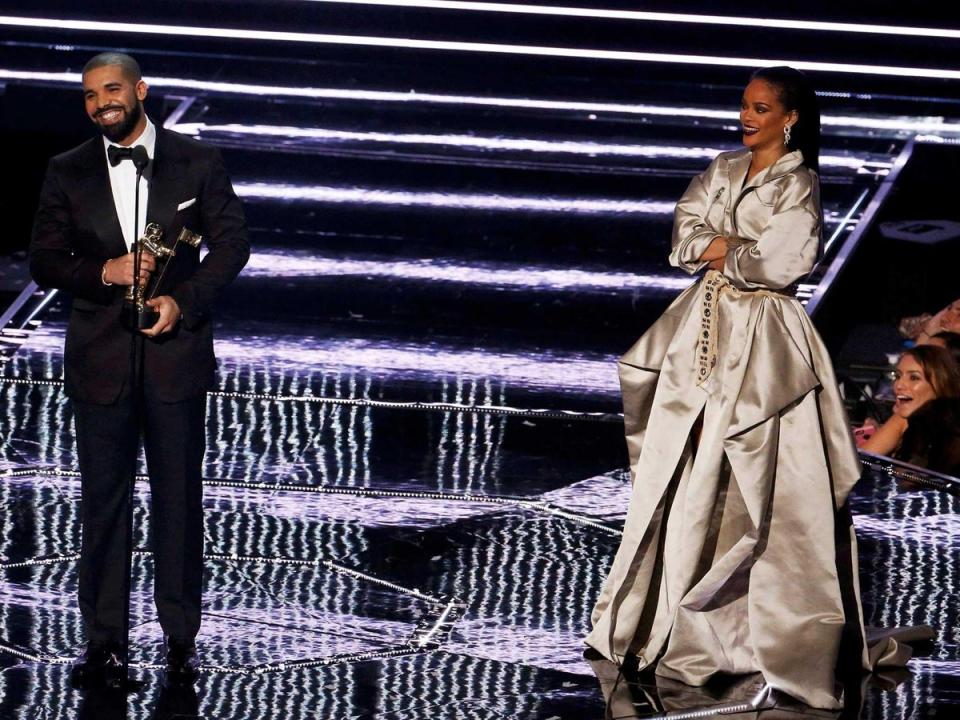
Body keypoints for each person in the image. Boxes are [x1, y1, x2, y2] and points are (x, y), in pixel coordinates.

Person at [585, 67, 918, 710]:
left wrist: (725, 250)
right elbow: (683, 238)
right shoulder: (721, 167)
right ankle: (663, 614)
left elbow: (786, 262)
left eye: (761, 107)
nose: (748, 116)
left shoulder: (800, 182)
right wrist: (734, 249)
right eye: (745, 105)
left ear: (788, 117)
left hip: (764, 340)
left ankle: (743, 627)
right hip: (702, 331)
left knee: (765, 486)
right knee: (683, 472)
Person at [30, 53, 249, 686]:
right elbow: (45, 260)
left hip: (176, 360)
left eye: (114, 90)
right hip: (100, 362)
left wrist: (184, 300)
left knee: (179, 503)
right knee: (103, 506)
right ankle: (104, 644)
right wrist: (105, 272)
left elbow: (232, 243)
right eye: (92, 95)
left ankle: (182, 641)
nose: (103, 103)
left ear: (140, 90)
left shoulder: (196, 161)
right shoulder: (65, 171)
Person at [861, 346, 960, 459]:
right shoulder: (907, 417)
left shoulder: (905, 420)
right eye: (898, 376)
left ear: (942, 383)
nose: (898, 385)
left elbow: (853, 467)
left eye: (914, 378)